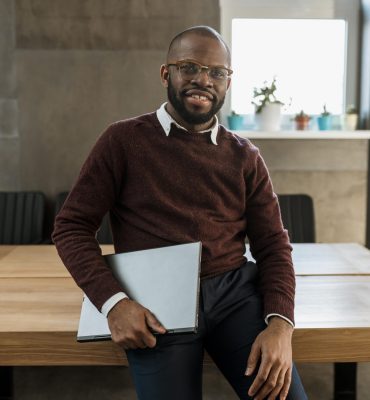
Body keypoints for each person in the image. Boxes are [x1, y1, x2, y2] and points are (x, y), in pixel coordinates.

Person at [52, 26, 307, 400]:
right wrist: (114, 303)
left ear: (228, 82)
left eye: (216, 72)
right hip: (155, 301)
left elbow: (273, 245)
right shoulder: (122, 141)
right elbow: (70, 227)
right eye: (189, 67)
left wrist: (281, 324)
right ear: (165, 73)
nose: (203, 80)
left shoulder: (245, 155)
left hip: (234, 294)